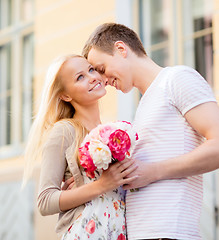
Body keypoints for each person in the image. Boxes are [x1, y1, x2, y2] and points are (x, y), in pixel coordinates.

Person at [82, 23, 219, 240]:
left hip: (169, 234)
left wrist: (153, 171)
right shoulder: (145, 103)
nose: (103, 80)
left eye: (102, 68)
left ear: (121, 49)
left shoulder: (176, 79)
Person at [22, 54, 138, 240]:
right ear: (66, 95)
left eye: (91, 70)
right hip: (86, 232)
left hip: (117, 232)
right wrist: (101, 184)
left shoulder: (113, 133)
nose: (92, 77)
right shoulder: (64, 131)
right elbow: (45, 201)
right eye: (80, 77)